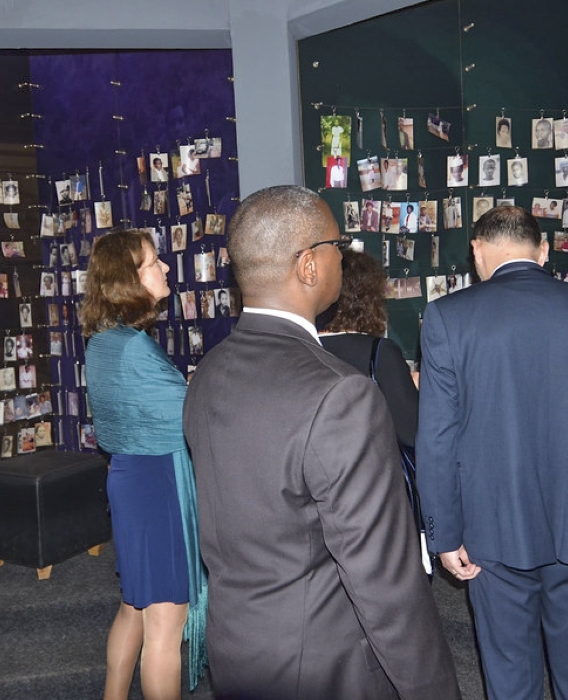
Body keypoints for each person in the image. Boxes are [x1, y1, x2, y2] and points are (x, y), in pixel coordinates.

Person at [182, 185, 460, 699]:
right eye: (340, 245)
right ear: (309, 266)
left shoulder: (208, 374)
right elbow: (384, 583)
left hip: (235, 649)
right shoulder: (341, 395)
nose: (345, 255)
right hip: (325, 666)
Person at [417, 205, 568, 700]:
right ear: (543, 251)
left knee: (509, 675)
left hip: (491, 528)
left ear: (477, 252)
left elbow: (437, 436)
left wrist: (443, 531)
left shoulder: (447, 317)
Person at [80, 229, 207, 700]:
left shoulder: (103, 341)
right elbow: (192, 415)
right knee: (165, 627)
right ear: (128, 279)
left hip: (132, 479)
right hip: (159, 486)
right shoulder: (133, 347)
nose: (166, 268)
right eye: (155, 262)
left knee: (135, 607)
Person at [318, 250, 418, 450]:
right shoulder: (379, 352)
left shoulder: (299, 346)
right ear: (368, 300)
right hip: (370, 473)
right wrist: (413, 390)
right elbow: (410, 432)